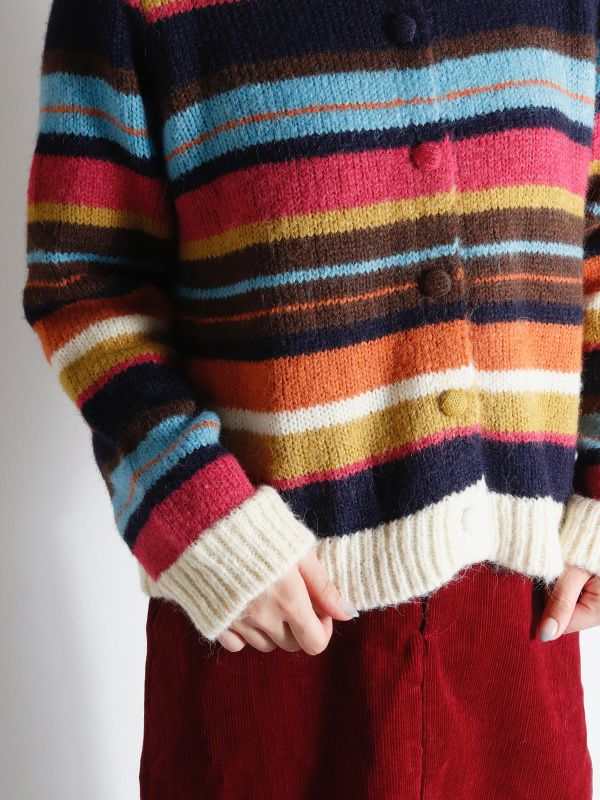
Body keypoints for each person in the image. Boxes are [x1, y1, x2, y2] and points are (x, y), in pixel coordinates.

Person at [22, 0, 600, 796]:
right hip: (267, 627)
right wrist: (203, 520)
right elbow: (85, 281)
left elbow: (589, 236)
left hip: (515, 639)